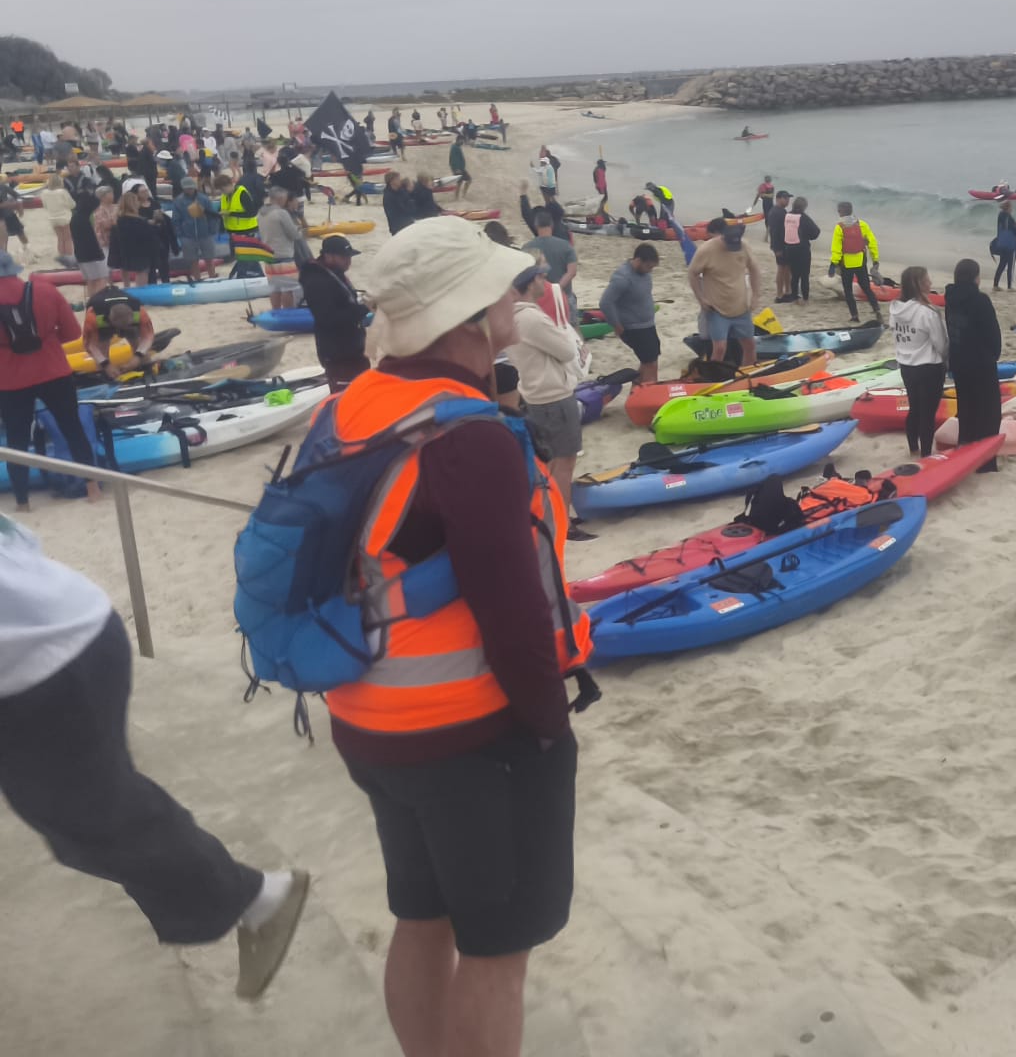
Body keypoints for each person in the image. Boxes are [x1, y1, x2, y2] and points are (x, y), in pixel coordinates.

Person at [336, 216, 596, 1057]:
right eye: (505, 290)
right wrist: (549, 727)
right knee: (494, 955)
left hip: (369, 718)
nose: (518, 299)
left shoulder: (360, 402)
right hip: (468, 738)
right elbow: (512, 608)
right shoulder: (468, 435)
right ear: (467, 317)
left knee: (421, 917)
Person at [0, 515, 309, 993]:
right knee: (93, 811)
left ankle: (257, 896)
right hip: (66, 627)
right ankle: (250, 896)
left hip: (47, 666)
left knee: (94, 820)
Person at [0, 254, 102, 507]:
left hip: (11, 378)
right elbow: (71, 334)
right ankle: (92, 489)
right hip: (53, 369)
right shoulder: (45, 291)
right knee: (73, 428)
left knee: (17, 440)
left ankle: (22, 501)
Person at [506, 265, 595, 542]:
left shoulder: (513, 316)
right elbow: (567, 349)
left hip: (537, 395)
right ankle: (561, 523)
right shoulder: (530, 318)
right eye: (541, 277)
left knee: (552, 462)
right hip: (553, 396)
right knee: (564, 462)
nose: (546, 280)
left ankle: (555, 515)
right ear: (530, 282)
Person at [945, 259, 1003, 473]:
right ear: (975, 277)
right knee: (989, 413)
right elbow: (992, 334)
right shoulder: (980, 301)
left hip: (959, 362)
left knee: (967, 409)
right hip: (981, 363)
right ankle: (985, 462)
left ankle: (965, 449)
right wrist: (993, 355)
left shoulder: (950, 297)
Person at [888, 267, 949, 458]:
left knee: (914, 408)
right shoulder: (928, 312)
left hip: (906, 367)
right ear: (920, 284)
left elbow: (895, 332)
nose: (931, 283)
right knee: (927, 414)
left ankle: (913, 447)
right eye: (928, 280)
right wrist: (946, 361)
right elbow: (940, 343)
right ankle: (925, 454)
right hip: (929, 367)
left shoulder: (895, 309)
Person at [687, 217, 764, 367]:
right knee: (720, 348)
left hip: (741, 307)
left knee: (749, 345)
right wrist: (701, 299)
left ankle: (748, 374)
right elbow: (692, 273)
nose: (733, 247)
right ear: (722, 236)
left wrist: (755, 295)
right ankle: (714, 376)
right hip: (717, 309)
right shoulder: (706, 250)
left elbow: (754, 269)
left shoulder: (744, 246)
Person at [300, 235, 371, 389]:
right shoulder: (317, 281)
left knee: (364, 388)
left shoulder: (334, 273)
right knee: (345, 395)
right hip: (337, 351)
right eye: (343, 257)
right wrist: (362, 309)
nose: (348, 261)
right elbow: (328, 318)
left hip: (353, 347)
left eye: (349, 257)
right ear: (328, 256)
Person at [601, 244, 662, 383]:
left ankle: (637, 395)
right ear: (638, 260)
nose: (650, 270)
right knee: (651, 364)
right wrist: (616, 325)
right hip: (634, 328)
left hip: (647, 325)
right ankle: (649, 398)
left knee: (647, 362)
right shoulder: (623, 278)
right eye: (649, 266)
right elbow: (606, 303)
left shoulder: (644, 273)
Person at [81, 288, 160, 380]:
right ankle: (104, 378)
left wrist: (138, 357)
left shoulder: (140, 313)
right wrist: (106, 364)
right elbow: (90, 345)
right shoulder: (93, 317)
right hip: (102, 319)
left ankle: (147, 371)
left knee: (137, 342)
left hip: (127, 321)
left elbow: (148, 336)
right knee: (102, 347)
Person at [256, 184, 307, 310]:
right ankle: (288, 314)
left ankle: (276, 312)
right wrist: (301, 230)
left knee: (274, 288)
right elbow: (294, 234)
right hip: (283, 254)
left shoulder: (261, 213)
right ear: (279, 199)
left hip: (268, 255)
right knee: (288, 288)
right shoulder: (281, 213)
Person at [830, 202, 881, 321]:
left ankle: (855, 316)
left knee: (848, 291)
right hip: (860, 262)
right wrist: (875, 259)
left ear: (840, 212)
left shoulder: (839, 227)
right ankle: (876, 308)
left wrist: (833, 263)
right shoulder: (862, 224)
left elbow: (836, 248)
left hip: (846, 264)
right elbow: (872, 243)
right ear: (851, 211)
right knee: (866, 287)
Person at [526, 211, 579, 314]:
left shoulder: (527, 248)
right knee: (572, 328)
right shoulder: (565, 245)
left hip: (537, 300)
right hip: (563, 296)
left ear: (536, 226)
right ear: (552, 225)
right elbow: (572, 272)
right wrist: (557, 289)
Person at [174, 175, 222, 278]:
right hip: (188, 236)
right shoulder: (179, 201)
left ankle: (212, 276)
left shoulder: (203, 199)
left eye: (191, 188)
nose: (190, 190)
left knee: (209, 258)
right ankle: (197, 279)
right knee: (193, 260)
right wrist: (181, 235)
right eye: (187, 188)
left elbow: (212, 216)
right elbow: (176, 220)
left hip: (205, 234)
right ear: (183, 188)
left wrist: (212, 230)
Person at [781, 195, 819, 303]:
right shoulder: (803, 217)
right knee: (804, 275)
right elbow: (816, 232)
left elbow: (782, 230)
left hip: (789, 247)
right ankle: (805, 297)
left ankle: (794, 296)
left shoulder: (786, 215)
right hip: (802, 249)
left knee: (794, 274)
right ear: (804, 207)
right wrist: (808, 237)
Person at [763, 189, 791, 301]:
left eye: (788, 198)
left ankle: (787, 291)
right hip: (780, 245)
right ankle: (780, 294)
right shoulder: (776, 212)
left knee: (787, 268)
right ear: (778, 199)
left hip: (783, 244)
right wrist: (777, 247)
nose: (788, 200)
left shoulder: (780, 211)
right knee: (782, 268)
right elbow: (773, 231)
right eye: (785, 198)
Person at [989, 200, 1016, 292]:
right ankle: (1009, 286)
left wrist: (1015, 224)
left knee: (1002, 264)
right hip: (1010, 245)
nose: (1012, 209)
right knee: (1010, 265)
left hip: (1002, 243)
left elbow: (1006, 227)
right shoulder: (1008, 217)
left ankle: (995, 285)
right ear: (1008, 208)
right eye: (1011, 207)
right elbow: (1014, 231)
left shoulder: (1001, 216)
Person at [382, 170, 417, 235]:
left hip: (408, 223)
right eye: (398, 179)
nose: (400, 180)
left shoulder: (401, 191)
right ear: (391, 181)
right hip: (398, 226)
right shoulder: (389, 196)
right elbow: (398, 211)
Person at [447, 134, 471, 200]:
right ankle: (457, 197)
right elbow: (453, 159)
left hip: (461, 169)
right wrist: (456, 169)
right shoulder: (454, 147)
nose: (463, 142)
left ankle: (462, 195)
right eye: (462, 141)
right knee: (460, 182)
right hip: (458, 169)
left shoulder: (457, 147)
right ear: (459, 140)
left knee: (467, 180)